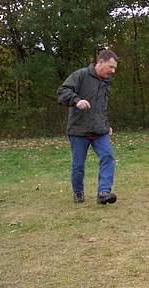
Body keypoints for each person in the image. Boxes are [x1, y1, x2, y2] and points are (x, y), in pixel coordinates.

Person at [57, 49, 119, 204]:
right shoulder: (80, 75)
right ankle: (78, 192)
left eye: (114, 68)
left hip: (100, 130)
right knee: (78, 165)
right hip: (79, 130)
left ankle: (104, 192)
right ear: (100, 62)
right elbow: (62, 91)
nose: (113, 71)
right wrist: (76, 100)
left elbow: (101, 107)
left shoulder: (106, 83)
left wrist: (106, 124)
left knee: (108, 157)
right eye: (111, 67)